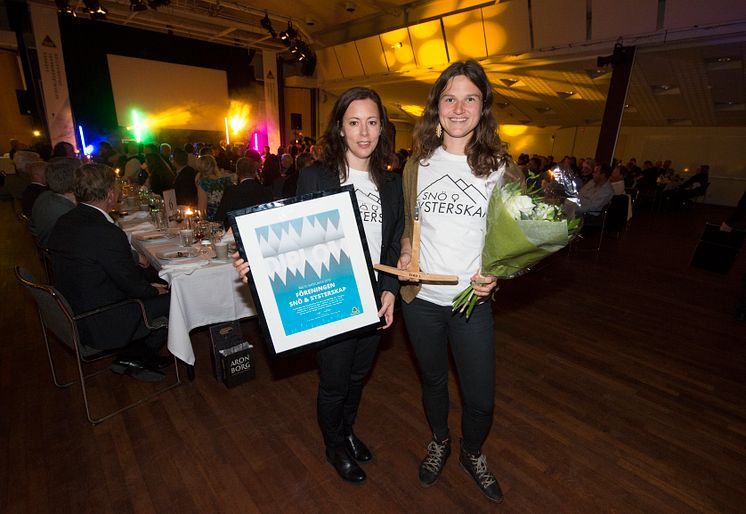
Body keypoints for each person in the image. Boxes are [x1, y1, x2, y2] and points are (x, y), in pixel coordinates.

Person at [234, 87, 404, 484]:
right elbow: (290, 239)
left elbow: (395, 241)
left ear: (382, 128)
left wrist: (391, 289)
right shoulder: (316, 175)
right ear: (340, 128)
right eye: (354, 122)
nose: (364, 132)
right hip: (333, 296)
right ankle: (333, 447)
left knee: (359, 376)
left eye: (373, 122)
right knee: (334, 381)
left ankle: (345, 431)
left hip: (375, 297)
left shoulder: (391, 183)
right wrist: (255, 264)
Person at [396, 60, 506, 503]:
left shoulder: (499, 168)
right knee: (434, 382)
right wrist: (406, 250)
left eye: (470, 98)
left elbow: (511, 240)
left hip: (470, 303)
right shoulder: (417, 164)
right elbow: (408, 223)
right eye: (449, 98)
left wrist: (498, 272)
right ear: (436, 106)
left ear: (483, 106)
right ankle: (440, 440)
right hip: (420, 299)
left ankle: (472, 451)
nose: (459, 108)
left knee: (481, 398)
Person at [47, 163, 171, 381]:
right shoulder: (105, 232)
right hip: (102, 319)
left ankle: (140, 354)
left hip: (75, 307)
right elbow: (131, 284)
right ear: (111, 194)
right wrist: (153, 291)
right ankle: (136, 356)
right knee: (177, 296)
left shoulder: (65, 221)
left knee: (154, 278)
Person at [213, 150, 272, 229]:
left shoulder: (231, 192)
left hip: (238, 233)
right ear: (254, 172)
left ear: (237, 173)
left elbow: (219, 219)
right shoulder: (266, 191)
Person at [29, 157, 80, 247]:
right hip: (61, 252)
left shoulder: (44, 195)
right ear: (77, 180)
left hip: (46, 246)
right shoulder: (70, 213)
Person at [195, 154, 233, 221]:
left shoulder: (204, 184)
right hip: (227, 218)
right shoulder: (227, 181)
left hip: (213, 220)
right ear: (214, 165)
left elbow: (201, 210)